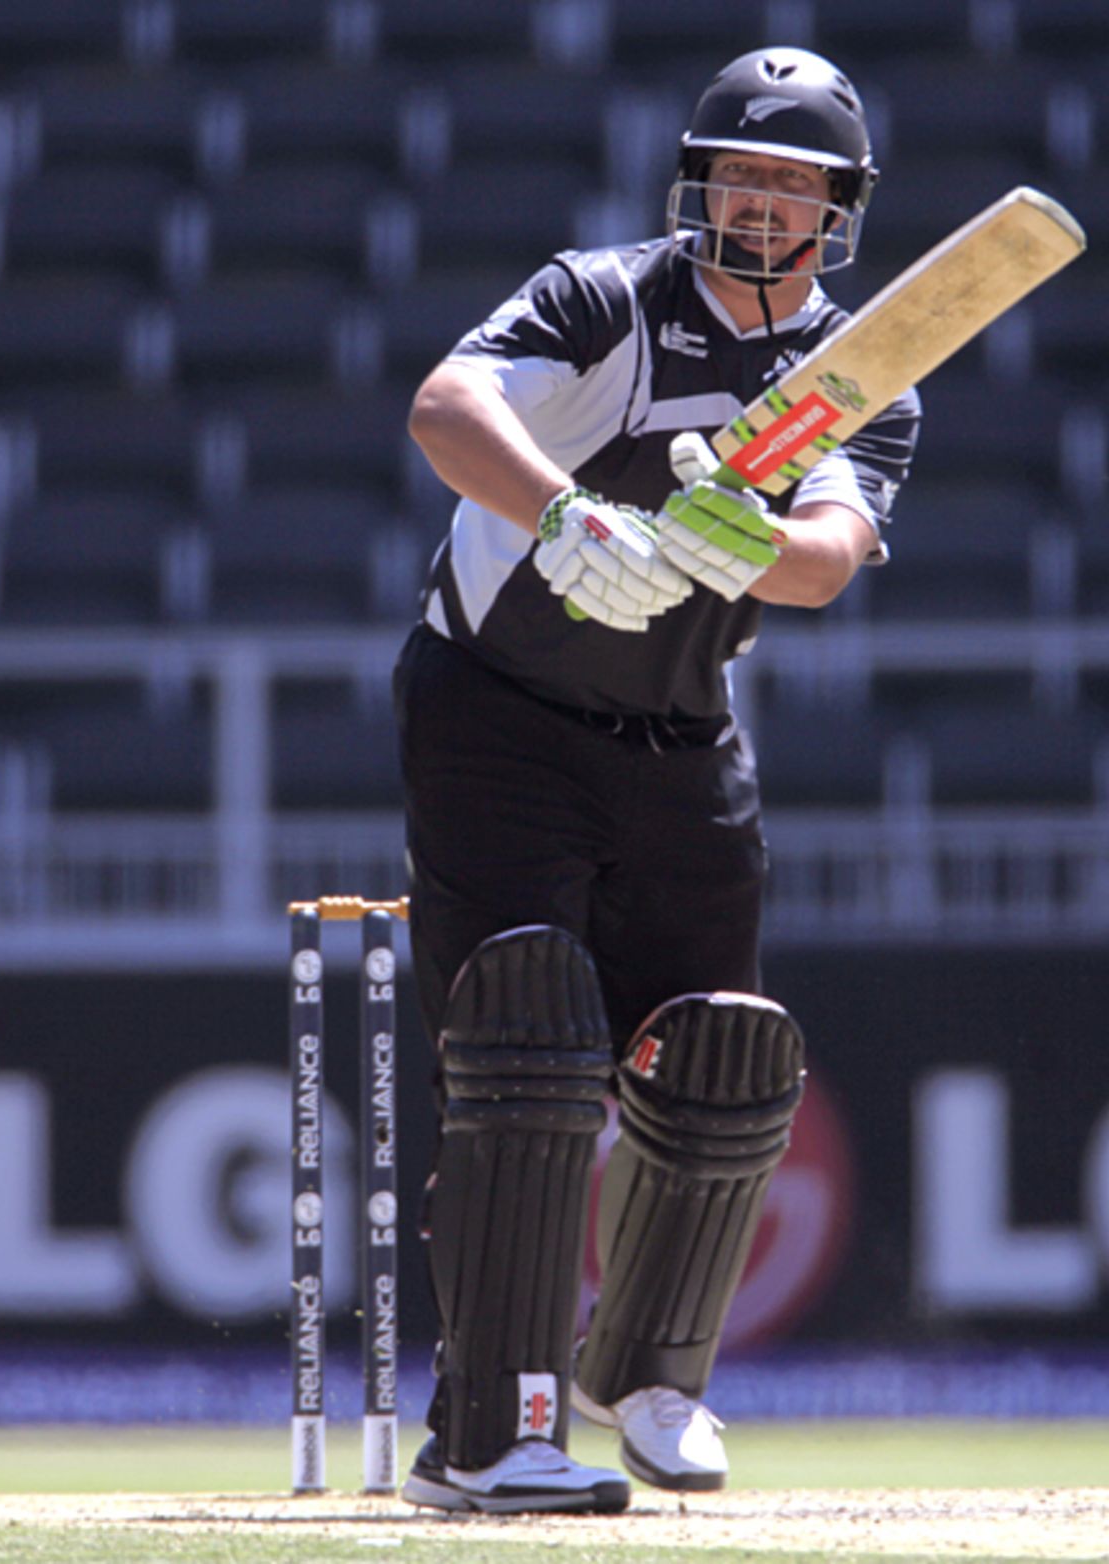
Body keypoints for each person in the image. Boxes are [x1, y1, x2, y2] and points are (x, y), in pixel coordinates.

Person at [392, 46, 920, 1515]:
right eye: (740, 173)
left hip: (684, 741)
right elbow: (446, 408)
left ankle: (652, 1378)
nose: (761, 203)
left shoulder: (854, 374)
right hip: (495, 714)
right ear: (701, 183)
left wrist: (733, 544)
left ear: (836, 206)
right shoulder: (603, 297)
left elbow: (821, 560)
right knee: (523, 1035)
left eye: (792, 183)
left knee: (724, 1059)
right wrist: (568, 517)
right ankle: (485, 1438)